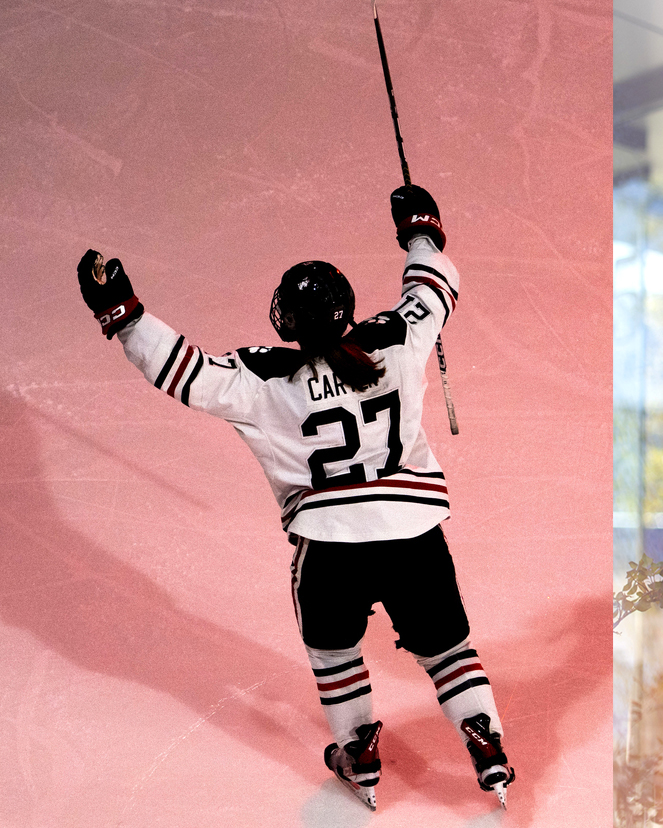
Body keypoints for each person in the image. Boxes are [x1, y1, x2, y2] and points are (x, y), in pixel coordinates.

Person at [75, 184, 515, 812]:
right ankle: (486, 742)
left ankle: (358, 751)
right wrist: (420, 229)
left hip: (330, 547)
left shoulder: (260, 381)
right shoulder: (394, 341)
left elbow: (180, 370)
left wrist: (123, 312)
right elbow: (433, 288)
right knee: (448, 650)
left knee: (334, 651)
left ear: (285, 320)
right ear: (347, 311)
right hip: (414, 532)